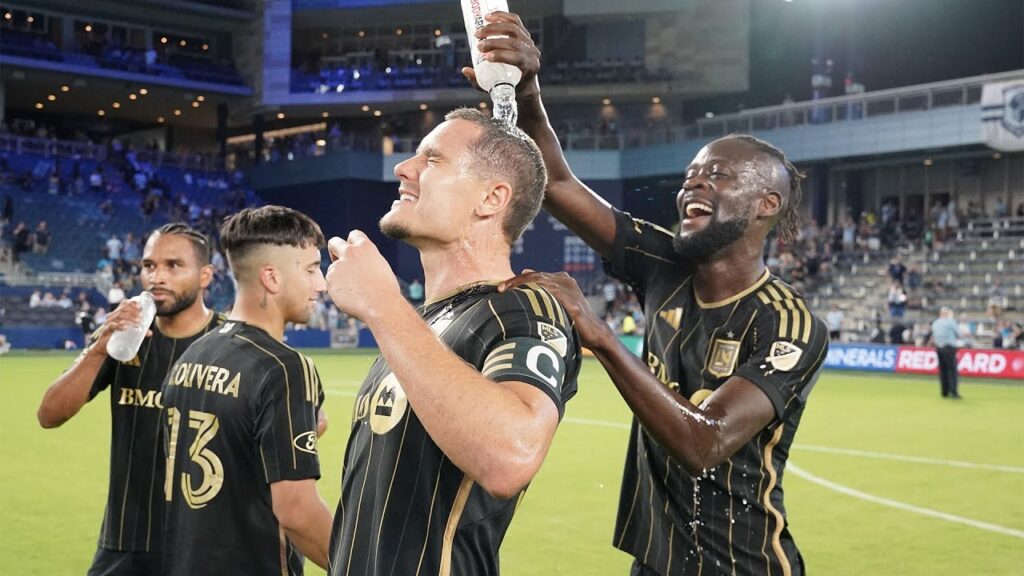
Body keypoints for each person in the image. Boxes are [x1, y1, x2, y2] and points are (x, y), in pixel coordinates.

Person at [472, 14, 828, 575]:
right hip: (654, 561)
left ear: (768, 204)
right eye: (691, 175)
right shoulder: (664, 264)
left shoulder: (787, 323)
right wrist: (529, 91)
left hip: (741, 565)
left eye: (719, 175)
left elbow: (705, 444)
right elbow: (558, 184)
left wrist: (601, 337)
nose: (695, 182)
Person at [324, 108, 581, 575]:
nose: (404, 168)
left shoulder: (520, 308)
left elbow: (511, 455)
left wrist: (383, 305)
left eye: (432, 159)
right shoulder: (419, 325)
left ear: (491, 198)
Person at [36, 223, 222, 576]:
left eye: (173, 265)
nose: (157, 277)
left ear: (205, 276)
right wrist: (99, 348)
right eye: (149, 265)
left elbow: (307, 421)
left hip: (204, 545)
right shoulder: (123, 337)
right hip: (125, 540)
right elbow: (49, 414)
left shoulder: (230, 342)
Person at [161, 206, 333, 575]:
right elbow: (298, 512)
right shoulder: (284, 368)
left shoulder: (193, 354)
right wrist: (364, 565)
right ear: (271, 277)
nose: (321, 284)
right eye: (311, 269)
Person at [930, 307, 961, 399]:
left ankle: (944, 392)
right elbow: (958, 334)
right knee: (952, 370)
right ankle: (953, 391)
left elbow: (934, 335)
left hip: (939, 347)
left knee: (942, 370)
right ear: (947, 314)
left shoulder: (935, 323)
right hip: (949, 347)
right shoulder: (951, 322)